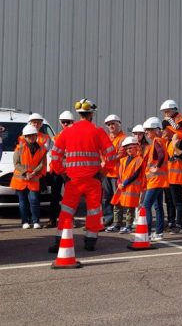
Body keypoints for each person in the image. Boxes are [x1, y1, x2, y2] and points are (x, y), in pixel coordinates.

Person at [48, 99, 117, 252]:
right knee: (93, 211)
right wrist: (103, 172)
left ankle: (60, 241)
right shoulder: (98, 131)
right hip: (93, 180)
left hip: (72, 180)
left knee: (66, 211)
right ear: (91, 114)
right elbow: (111, 155)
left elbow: (55, 155)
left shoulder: (67, 131)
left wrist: (62, 172)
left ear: (79, 114)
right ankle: (90, 242)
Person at [43, 110, 75, 228]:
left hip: (70, 170)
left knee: (70, 196)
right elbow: (52, 152)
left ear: (72, 122)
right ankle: (52, 219)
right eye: (63, 122)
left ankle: (70, 219)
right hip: (57, 170)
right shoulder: (56, 137)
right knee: (55, 196)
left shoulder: (75, 137)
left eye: (68, 122)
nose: (66, 124)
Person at [12, 124, 47, 229]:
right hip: (21, 179)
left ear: (36, 136)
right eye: (29, 136)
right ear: (25, 137)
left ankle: (35, 221)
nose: (31, 138)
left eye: (33, 135)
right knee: (23, 202)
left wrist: (33, 173)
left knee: (34, 200)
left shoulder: (42, 149)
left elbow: (42, 164)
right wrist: (26, 172)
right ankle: (25, 221)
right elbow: (16, 163)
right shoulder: (19, 148)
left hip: (34, 178)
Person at [140, 117, 169, 241]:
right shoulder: (159, 141)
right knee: (158, 207)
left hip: (155, 181)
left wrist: (156, 167)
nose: (146, 133)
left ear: (156, 130)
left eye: (148, 130)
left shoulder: (157, 141)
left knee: (146, 206)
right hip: (158, 180)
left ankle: (147, 233)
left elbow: (161, 155)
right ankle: (158, 232)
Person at [109, 136, 144, 233]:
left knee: (129, 207)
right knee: (117, 204)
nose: (128, 150)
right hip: (122, 186)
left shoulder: (139, 160)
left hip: (131, 187)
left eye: (130, 148)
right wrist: (120, 182)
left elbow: (135, 174)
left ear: (136, 148)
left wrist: (124, 183)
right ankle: (117, 224)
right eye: (127, 148)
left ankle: (128, 226)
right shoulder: (123, 160)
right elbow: (120, 173)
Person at [164, 120, 182, 233]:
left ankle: (179, 224)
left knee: (177, 201)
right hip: (167, 177)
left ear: (169, 129)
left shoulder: (181, 140)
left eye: (163, 129)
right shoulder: (166, 141)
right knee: (169, 201)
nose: (161, 131)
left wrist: (175, 147)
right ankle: (171, 222)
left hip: (176, 177)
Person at [102, 114, 125, 228]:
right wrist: (104, 161)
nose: (111, 126)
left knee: (117, 197)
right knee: (106, 197)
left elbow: (121, 154)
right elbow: (101, 152)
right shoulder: (106, 138)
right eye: (109, 124)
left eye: (113, 124)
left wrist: (106, 161)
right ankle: (108, 218)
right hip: (107, 172)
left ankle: (117, 221)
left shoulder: (123, 138)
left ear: (118, 124)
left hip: (117, 173)